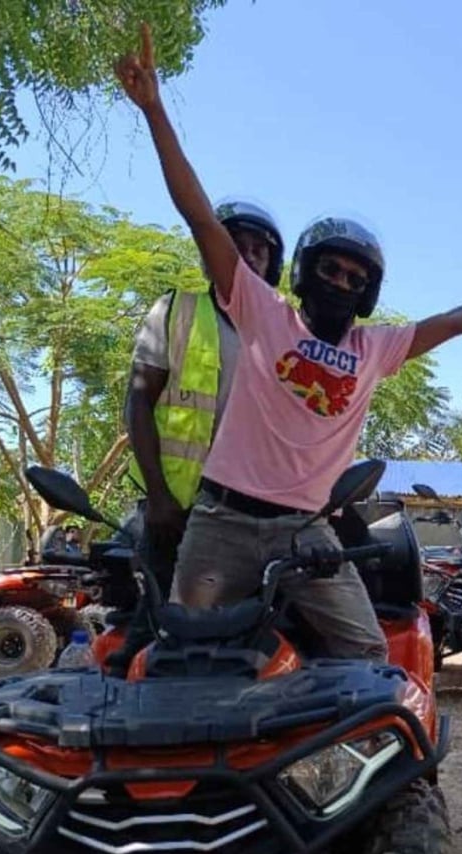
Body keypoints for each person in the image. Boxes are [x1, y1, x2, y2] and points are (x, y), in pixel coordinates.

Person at [115, 25, 462, 660]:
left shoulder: (377, 348)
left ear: (367, 291)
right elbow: (201, 215)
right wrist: (154, 111)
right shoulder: (265, 314)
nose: (341, 282)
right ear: (305, 272)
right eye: (330, 270)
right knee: (183, 655)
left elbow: (455, 320)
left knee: (369, 656)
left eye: (355, 277)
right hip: (222, 523)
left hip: (303, 530)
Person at [125, 198, 286, 596]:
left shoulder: (287, 333)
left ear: (273, 264)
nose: (247, 258)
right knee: (158, 633)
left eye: (258, 250)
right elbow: (139, 402)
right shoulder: (176, 310)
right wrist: (159, 497)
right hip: (174, 512)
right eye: (234, 247)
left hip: (251, 517)